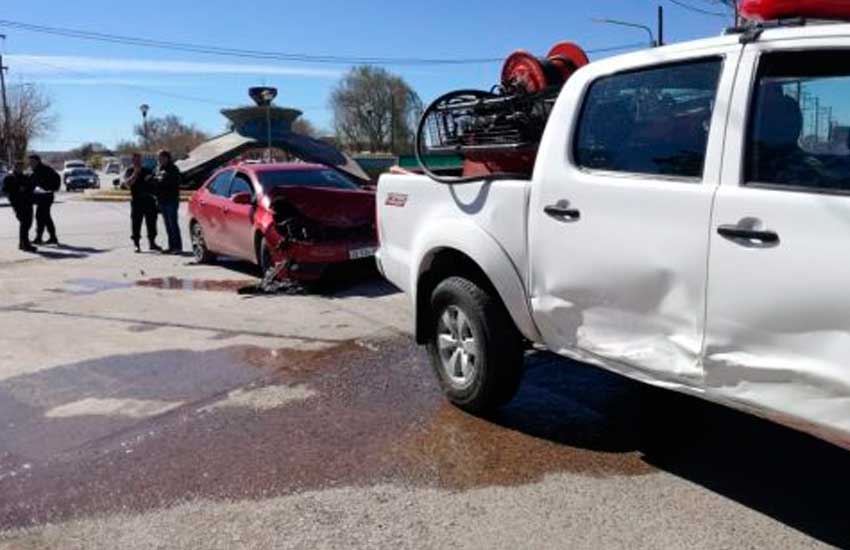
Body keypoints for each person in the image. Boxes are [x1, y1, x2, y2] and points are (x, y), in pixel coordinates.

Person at [127, 153, 162, 253]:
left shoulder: (147, 170)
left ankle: (152, 243)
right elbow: (128, 184)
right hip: (137, 200)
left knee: (151, 222)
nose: (137, 162)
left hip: (149, 200)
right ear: (132, 161)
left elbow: (154, 182)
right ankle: (136, 244)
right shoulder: (130, 171)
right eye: (135, 160)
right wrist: (135, 174)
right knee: (136, 223)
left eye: (138, 160)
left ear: (141, 160)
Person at [153, 150, 183, 254]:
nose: (160, 160)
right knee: (167, 225)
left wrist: (161, 180)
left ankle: (177, 247)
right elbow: (155, 181)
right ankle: (171, 246)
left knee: (173, 223)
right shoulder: (158, 169)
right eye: (158, 158)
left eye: (162, 157)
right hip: (161, 200)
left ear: (167, 158)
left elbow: (174, 182)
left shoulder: (173, 169)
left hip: (171, 199)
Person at [3, 160, 37, 252]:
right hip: (17, 204)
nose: (20, 169)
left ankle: (22, 243)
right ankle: (25, 244)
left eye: (21, 167)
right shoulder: (9, 178)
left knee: (28, 223)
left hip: (28, 202)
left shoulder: (26, 177)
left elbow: (31, 187)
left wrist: (28, 188)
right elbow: (5, 190)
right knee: (24, 223)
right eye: (18, 167)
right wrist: (17, 189)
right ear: (14, 167)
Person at [29, 154, 61, 245]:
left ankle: (39, 238)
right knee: (46, 217)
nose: (30, 163)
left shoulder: (44, 169)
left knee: (40, 217)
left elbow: (54, 180)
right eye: (30, 162)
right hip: (40, 197)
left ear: (37, 161)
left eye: (32, 161)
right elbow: (32, 182)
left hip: (46, 197)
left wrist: (45, 187)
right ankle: (53, 237)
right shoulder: (35, 170)